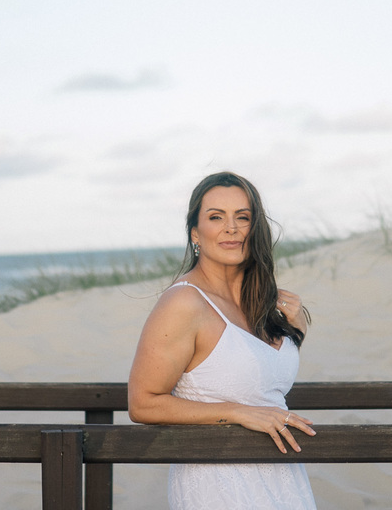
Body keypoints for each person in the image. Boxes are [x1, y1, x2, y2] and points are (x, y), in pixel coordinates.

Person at [128, 172, 317, 509]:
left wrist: (295, 329)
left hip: (284, 478)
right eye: (216, 217)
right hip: (218, 481)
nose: (231, 228)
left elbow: (258, 376)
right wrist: (239, 413)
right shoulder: (184, 304)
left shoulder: (261, 302)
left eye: (242, 217)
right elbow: (143, 403)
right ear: (195, 233)